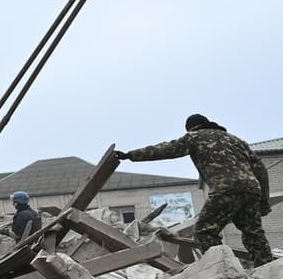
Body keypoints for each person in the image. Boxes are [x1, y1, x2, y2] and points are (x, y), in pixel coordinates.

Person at [117, 113, 274, 266]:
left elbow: (166, 149)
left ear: (191, 128)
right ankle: (269, 270)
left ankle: (225, 268)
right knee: (253, 233)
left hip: (225, 189)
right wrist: (264, 200)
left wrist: (130, 155)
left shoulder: (195, 136)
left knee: (204, 232)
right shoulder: (237, 140)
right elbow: (260, 169)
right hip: (251, 190)